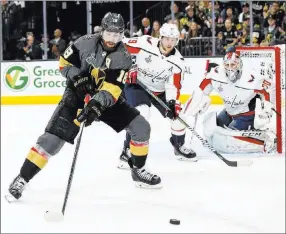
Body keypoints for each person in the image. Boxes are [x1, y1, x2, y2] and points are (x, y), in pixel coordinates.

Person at [5, 12, 162, 203]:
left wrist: (96, 105)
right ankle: (22, 178)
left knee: (141, 127)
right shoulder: (84, 43)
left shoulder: (124, 57)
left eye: (117, 35)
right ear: (102, 31)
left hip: (104, 98)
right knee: (52, 140)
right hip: (75, 96)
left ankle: (138, 171)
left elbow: (112, 88)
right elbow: (63, 65)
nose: (112, 39)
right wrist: (77, 77)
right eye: (109, 34)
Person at [118, 23, 197, 170]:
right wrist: (126, 65)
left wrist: (172, 103)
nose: (170, 43)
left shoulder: (178, 62)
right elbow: (120, 45)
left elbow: (174, 85)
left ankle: (178, 145)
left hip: (161, 91)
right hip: (138, 85)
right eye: (167, 39)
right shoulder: (145, 43)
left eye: (173, 40)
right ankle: (127, 151)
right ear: (160, 37)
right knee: (140, 116)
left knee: (179, 118)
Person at [183, 51, 277, 153]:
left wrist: (267, 113)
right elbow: (201, 90)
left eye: (233, 64)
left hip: (246, 115)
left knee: (228, 140)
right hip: (229, 112)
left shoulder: (251, 80)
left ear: (239, 64)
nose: (230, 68)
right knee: (212, 128)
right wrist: (192, 106)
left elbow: (269, 90)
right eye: (227, 65)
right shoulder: (216, 75)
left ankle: (263, 142)